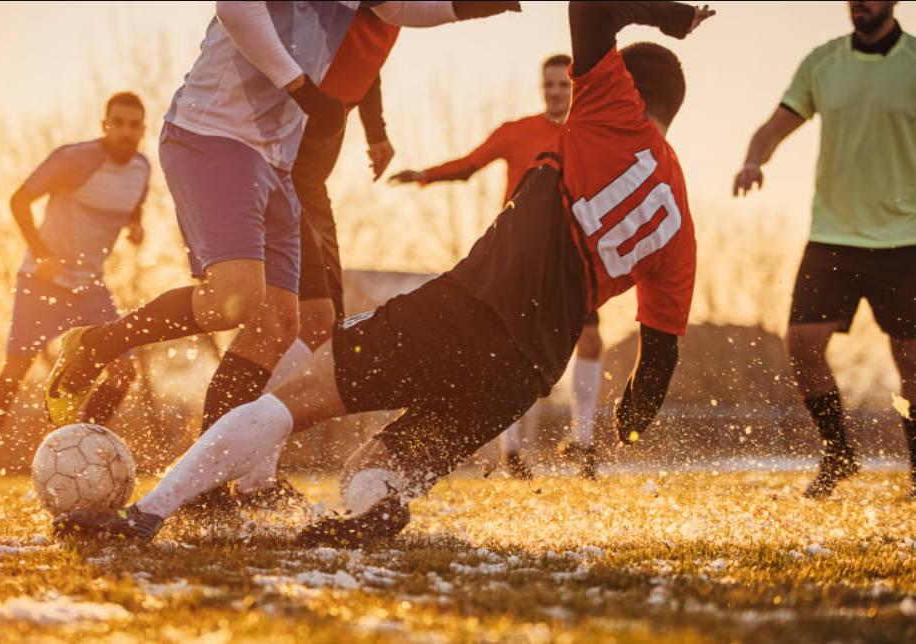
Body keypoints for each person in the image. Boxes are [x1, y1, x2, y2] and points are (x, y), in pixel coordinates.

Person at [54, 1, 712, 545]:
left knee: (290, 401)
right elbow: (656, 358)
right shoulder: (679, 228)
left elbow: (592, 6)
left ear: (626, 87)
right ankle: (374, 511)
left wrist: (664, 14)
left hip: (459, 311)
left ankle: (145, 516)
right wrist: (629, 424)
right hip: (527, 372)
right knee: (375, 466)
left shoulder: (612, 114)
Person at [43, 1, 521, 494]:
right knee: (237, 297)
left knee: (299, 322)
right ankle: (98, 343)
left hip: (275, 161)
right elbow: (234, 7)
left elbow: (398, 8)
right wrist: (300, 88)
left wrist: (479, 5)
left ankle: (207, 487)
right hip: (213, 135)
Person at [390, 54, 604, 479]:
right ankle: (511, 449)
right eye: (549, 84)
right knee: (511, 347)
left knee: (591, 340)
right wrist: (425, 174)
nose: (556, 91)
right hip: (518, 254)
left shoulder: (590, 135)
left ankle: (583, 442)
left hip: (570, 254)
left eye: (564, 84)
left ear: (576, 88)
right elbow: (470, 165)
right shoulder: (516, 132)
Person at [733, 0, 916, 499]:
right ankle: (838, 453)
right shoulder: (822, 62)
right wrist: (754, 160)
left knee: (911, 362)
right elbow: (773, 127)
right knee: (801, 344)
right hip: (833, 235)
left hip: (905, 241)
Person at [234, 5, 402, 501]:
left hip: (312, 187)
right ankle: (250, 475)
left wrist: (376, 131)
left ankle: (253, 471)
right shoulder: (331, 18)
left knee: (327, 326)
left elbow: (365, 68)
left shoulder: (382, 22)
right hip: (284, 183)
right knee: (301, 321)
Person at [0, 92, 149, 489]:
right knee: (14, 375)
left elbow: (133, 206)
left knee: (123, 371)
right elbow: (19, 200)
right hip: (42, 283)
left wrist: (135, 227)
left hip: (91, 288)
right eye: (117, 123)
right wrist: (40, 252)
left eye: (133, 125)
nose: (125, 132)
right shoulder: (73, 159)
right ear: (104, 125)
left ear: (142, 130)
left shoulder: (142, 169)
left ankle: (76, 453)